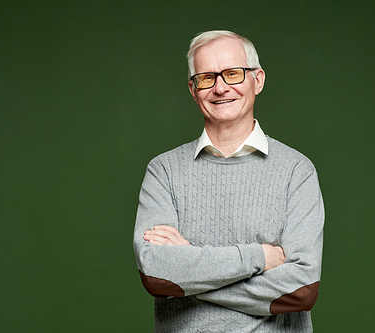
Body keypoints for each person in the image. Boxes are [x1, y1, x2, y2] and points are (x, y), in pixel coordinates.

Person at [133, 30, 324, 332]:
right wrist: (260, 256)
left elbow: (300, 289)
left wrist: (189, 273)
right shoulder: (164, 171)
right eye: (207, 78)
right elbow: (158, 275)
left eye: (233, 74)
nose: (220, 88)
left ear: (257, 80)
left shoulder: (296, 171)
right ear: (193, 89)